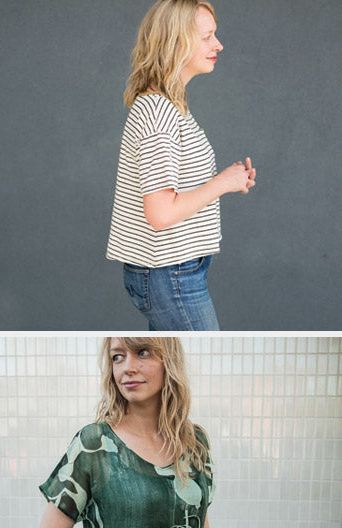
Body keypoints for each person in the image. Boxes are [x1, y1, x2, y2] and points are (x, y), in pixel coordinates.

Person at [33, 337, 222, 528]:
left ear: (169, 361)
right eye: (118, 357)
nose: (127, 368)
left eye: (142, 353)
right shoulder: (93, 445)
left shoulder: (195, 442)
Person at [106, 0, 256, 330]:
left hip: (171, 272)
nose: (219, 44)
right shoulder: (159, 113)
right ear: (175, 42)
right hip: (170, 275)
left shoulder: (168, 106)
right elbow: (160, 214)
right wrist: (224, 183)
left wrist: (229, 179)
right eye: (207, 36)